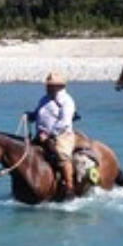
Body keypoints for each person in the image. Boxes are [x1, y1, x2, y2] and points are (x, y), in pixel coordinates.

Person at [34, 72, 77, 200]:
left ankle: (69, 187)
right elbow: (38, 113)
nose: (47, 88)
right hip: (41, 134)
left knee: (62, 155)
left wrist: (49, 134)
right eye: (48, 85)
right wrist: (30, 115)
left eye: (50, 86)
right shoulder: (44, 99)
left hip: (61, 135)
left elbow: (64, 122)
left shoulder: (66, 101)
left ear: (58, 86)